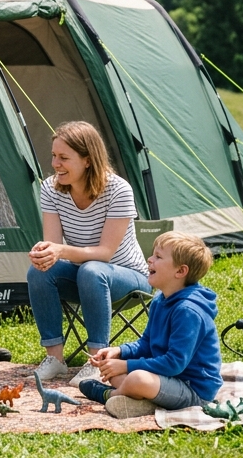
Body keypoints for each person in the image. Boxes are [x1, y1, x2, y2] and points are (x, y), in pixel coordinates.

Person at [27, 120, 151, 387]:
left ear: (87, 160)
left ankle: (97, 361)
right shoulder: (51, 188)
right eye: (53, 156)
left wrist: (61, 250)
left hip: (129, 278)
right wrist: (45, 253)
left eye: (63, 158)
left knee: (93, 270)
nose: (55, 164)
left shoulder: (118, 190)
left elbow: (105, 253)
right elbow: (53, 246)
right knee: (40, 270)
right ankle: (55, 360)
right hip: (84, 274)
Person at [77, 231, 222, 419]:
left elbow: (174, 363)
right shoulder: (160, 299)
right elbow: (146, 343)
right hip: (167, 378)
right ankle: (144, 402)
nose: (149, 259)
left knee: (136, 378)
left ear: (180, 271)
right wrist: (119, 352)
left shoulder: (188, 311)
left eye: (158, 257)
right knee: (113, 373)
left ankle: (108, 395)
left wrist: (127, 365)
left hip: (192, 388)